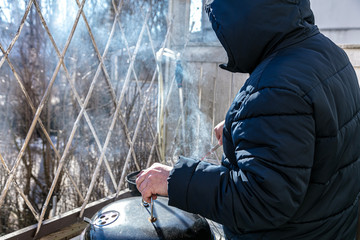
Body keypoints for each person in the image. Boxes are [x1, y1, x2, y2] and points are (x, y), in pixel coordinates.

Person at [136, 0, 360, 238]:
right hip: (331, 227)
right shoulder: (328, 52)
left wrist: (175, 180)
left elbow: (260, 200)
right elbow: (312, 132)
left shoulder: (277, 87)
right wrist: (243, 125)